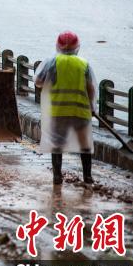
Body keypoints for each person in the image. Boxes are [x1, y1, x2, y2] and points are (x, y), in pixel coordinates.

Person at [35, 31, 96, 185]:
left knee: (57, 145)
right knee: (84, 145)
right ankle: (87, 177)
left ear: (58, 46)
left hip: (58, 111)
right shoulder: (83, 64)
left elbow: (38, 81)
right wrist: (92, 107)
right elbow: (91, 88)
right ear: (77, 47)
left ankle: (57, 177)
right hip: (80, 111)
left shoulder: (52, 62)